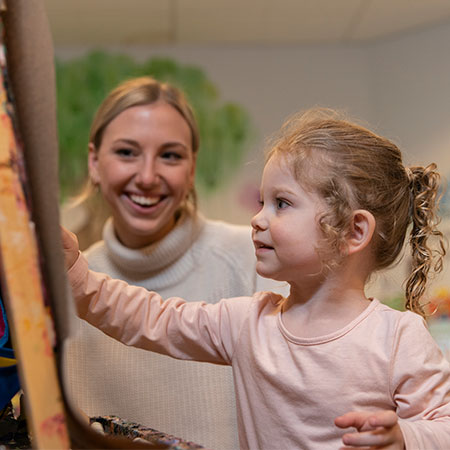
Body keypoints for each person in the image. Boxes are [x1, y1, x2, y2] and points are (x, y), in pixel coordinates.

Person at [63, 108, 450, 449]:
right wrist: (77, 277)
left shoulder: (398, 337)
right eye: (261, 201)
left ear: (353, 231)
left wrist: (404, 438)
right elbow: (153, 319)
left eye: (281, 203)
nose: (258, 218)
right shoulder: (248, 322)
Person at [63, 76, 287, 450]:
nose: (148, 177)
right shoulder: (65, 287)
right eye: (126, 152)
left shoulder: (256, 260)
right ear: (94, 163)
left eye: (170, 155)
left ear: (192, 168)